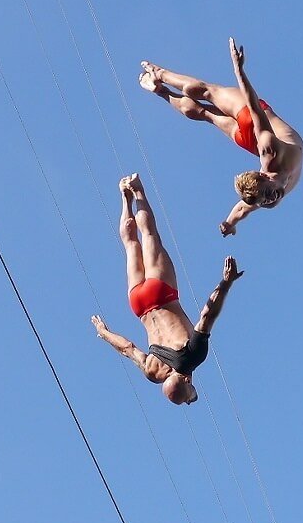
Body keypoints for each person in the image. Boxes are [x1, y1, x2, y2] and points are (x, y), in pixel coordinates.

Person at [92, 173, 242, 405]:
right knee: (131, 245)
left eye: (190, 394)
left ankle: (137, 189)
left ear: (186, 381)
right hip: (139, 304)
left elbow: (207, 315)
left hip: (161, 292)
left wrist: (226, 282)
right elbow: (127, 348)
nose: (192, 396)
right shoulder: (152, 373)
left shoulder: (193, 357)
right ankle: (125, 199)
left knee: (150, 234)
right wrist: (104, 333)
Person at [138, 37, 303, 236]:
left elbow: (242, 209)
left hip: (250, 140)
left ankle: (161, 86)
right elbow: (254, 109)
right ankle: (161, 82)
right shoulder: (271, 154)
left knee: (206, 109)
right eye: (266, 197)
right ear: (264, 176)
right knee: (206, 99)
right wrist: (239, 71)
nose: (269, 199)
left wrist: (229, 223)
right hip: (253, 121)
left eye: (265, 198)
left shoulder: (266, 175)